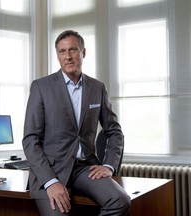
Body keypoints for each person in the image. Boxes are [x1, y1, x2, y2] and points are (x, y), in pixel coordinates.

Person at [22, 30, 131, 216]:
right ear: (57, 55)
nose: (68, 57)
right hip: (51, 171)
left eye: (73, 50)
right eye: (62, 51)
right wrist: (50, 182)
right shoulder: (41, 87)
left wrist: (109, 165)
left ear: (83, 52)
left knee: (120, 201)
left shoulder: (97, 87)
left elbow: (114, 131)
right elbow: (30, 140)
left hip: (84, 169)